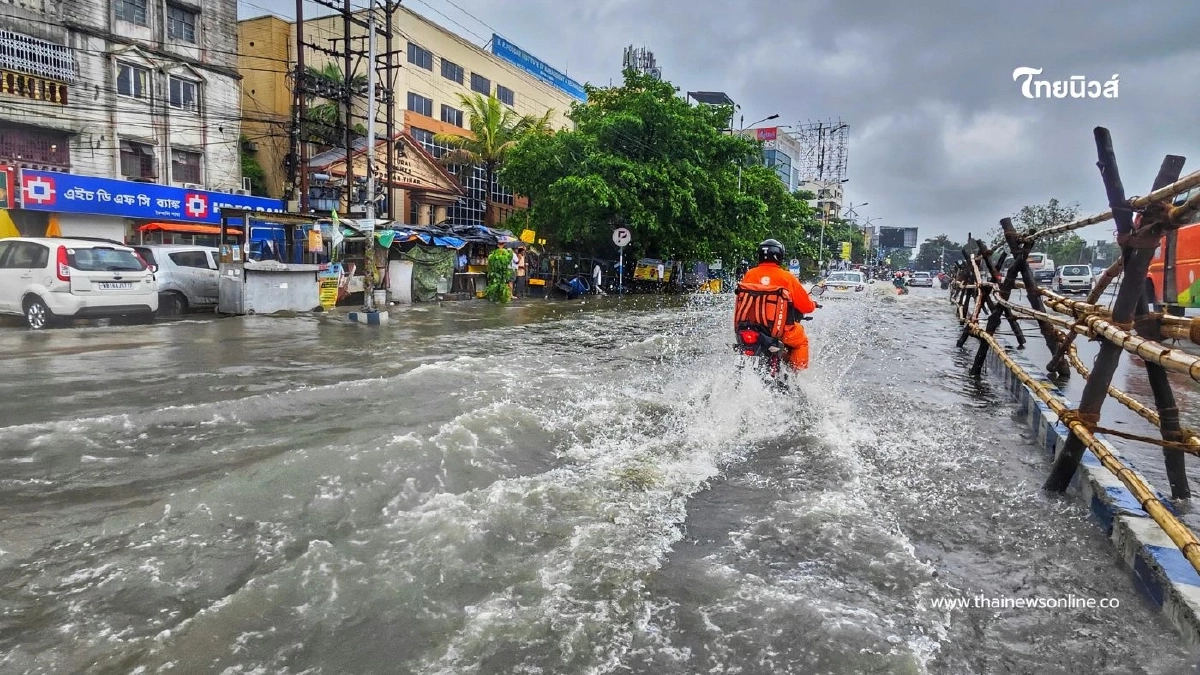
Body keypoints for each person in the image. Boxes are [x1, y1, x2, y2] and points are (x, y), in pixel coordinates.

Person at [735, 239, 818, 370]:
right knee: (801, 342)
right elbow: (806, 307)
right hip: (777, 331)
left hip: (748, 329)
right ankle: (797, 375)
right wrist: (813, 304)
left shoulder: (749, 274)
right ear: (779, 256)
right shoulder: (787, 277)